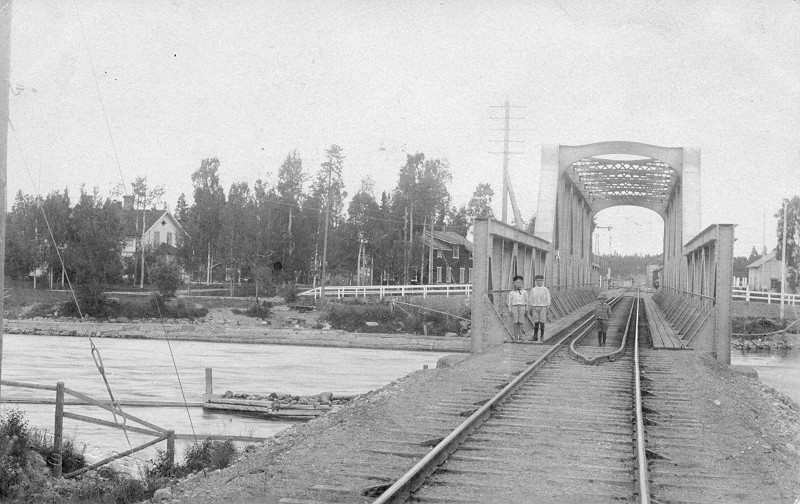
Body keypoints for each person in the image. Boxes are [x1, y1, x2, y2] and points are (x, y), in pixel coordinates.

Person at [528, 274, 551, 342]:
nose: (539, 282)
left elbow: (548, 299)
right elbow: (530, 299)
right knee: (536, 322)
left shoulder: (545, 289)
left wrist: (547, 307)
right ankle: (535, 336)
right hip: (535, 307)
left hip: (543, 307)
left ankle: (542, 336)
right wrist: (531, 307)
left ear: (543, 281)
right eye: (538, 280)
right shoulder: (533, 289)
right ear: (535, 281)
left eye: (540, 280)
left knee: (542, 322)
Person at [506, 275, 528, 341]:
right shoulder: (512, 292)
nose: (518, 284)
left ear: (522, 283)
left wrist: (526, 309)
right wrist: (510, 310)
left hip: (522, 307)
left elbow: (527, 301)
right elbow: (510, 302)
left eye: (520, 282)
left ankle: (520, 336)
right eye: (517, 282)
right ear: (514, 283)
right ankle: (516, 337)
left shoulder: (524, 292)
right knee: (515, 322)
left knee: (521, 322)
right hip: (514, 307)